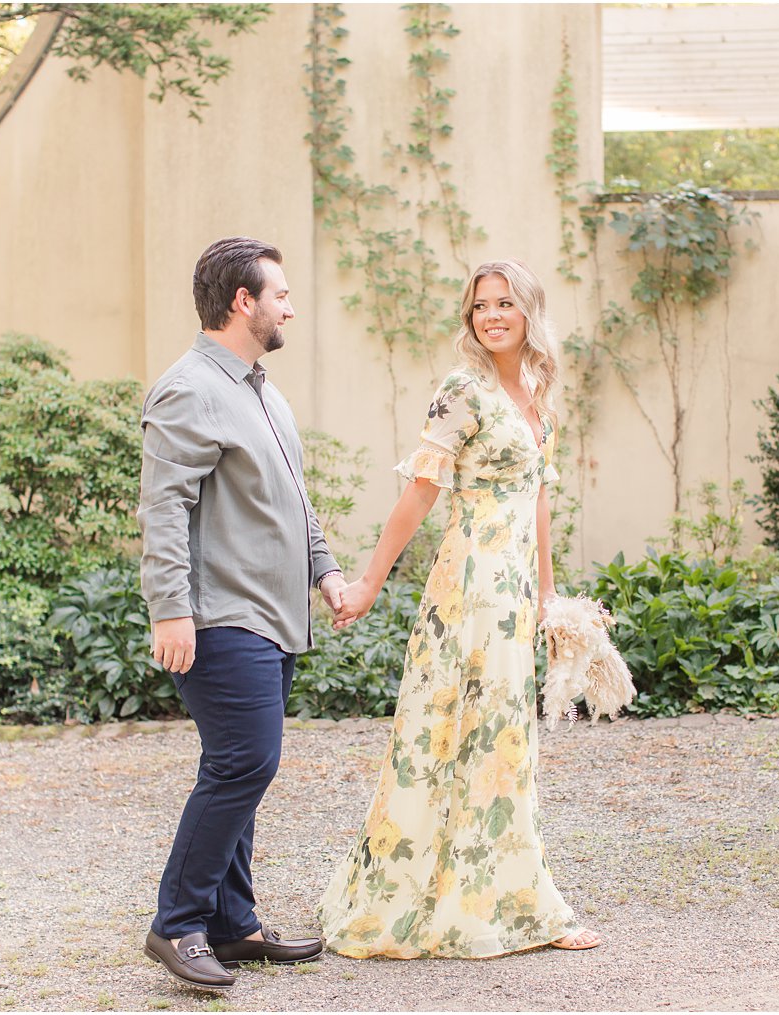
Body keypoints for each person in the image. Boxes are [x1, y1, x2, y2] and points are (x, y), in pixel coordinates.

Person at [316, 259, 601, 958]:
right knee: (451, 733)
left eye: (505, 303)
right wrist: (369, 583)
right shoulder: (462, 390)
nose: (492, 315)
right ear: (470, 318)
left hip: (513, 593)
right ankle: (447, 899)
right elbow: (420, 491)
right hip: (469, 583)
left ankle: (514, 898)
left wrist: (548, 596)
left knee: (505, 742)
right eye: (481, 306)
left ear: (529, 311)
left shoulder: (534, 389)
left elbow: (538, 498)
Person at [138, 236, 347, 992]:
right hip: (221, 615)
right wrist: (170, 610)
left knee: (240, 769)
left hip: (272, 613)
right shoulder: (188, 388)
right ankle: (178, 923)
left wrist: (324, 569)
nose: (291, 304)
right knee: (244, 762)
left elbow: (291, 496)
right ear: (242, 301)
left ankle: (233, 923)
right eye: (281, 293)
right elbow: (163, 509)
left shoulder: (260, 388)